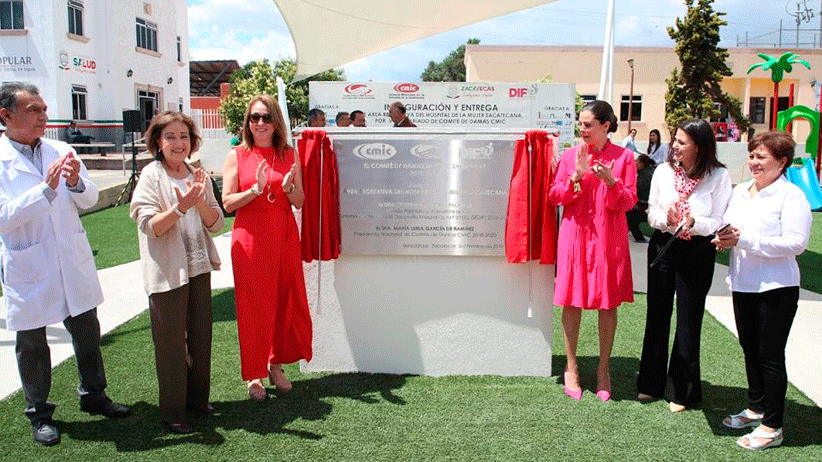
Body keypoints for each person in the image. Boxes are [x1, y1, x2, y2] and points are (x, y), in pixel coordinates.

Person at [0, 82, 130, 446]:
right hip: (29, 263)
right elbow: (3, 217)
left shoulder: (60, 148)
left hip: (70, 259)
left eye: (44, 109)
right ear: (6, 116)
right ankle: (39, 413)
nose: (44, 116)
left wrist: (74, 182)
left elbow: (88, 200)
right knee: (32, 344)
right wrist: (44, 189)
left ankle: (94, 395)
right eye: (34, 110)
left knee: (87, 331)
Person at [713, 131, 811, 451]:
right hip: (744, 283)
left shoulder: (791, 196)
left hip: (776, 288)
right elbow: (728, 225)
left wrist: (744, 241)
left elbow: (796, 243)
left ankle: (772, 426)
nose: (753, 162)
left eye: (761, 157)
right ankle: (755, 408)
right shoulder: (741, 191)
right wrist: (722, 236)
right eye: (752, 156)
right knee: (750, 349)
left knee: (770, 356)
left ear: (782, 162)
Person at [129, 111, 224, 434]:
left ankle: (198, 400)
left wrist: (197, 203)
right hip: (167, 272)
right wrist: (180, 207)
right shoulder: (151, 176)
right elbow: (148, 225)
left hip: (199, 268)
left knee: (201, 338)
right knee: (170, 344)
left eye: (183, 136)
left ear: (192, 141)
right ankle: (173, 411)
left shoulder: (199, 176)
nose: (178, 143)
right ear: (158, 142)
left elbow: (217, 223)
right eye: (170, 136)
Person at [221, 95, 313, 401]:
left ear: (276, 121)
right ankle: (254, 373)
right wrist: (255, 190)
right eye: (254, 118)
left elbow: (300, 201)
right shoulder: (237, 155)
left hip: (284, 235)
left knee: (284, 301)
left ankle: (276, 364)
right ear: (247, 123)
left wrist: (287, 189)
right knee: (253, 307)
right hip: (250, 238)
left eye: (266, 117)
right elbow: (228, 203)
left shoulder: (289, 154)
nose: (260, 123)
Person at [637, 119, 732, 413]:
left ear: (700, 146)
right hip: (664, 247)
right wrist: (666, 218)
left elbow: (720, 218)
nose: (675, 146)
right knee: (657, 314)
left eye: (682, 142)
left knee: (689, 320)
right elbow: (651, 211)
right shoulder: (663, 172)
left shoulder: (718, 175)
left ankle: (681, 390)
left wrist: (695, 222)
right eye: (674, 140)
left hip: (698, 250)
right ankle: (650, 383)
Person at [548, 100, 637, 402]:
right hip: (575, 237)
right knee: (571, 302)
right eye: (580, 124)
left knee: (607, 304)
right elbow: (554, 196)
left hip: (608, 239)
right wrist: (575, 176)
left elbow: (627, 203)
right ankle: (571, 367)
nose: (582, 129)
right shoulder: (572, 155)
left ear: (605, 126)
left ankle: (603, 369)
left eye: (588, 124)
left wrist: (611, 182)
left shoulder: (624, 157)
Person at [626, 154, 655, 242]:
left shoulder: (645, 176)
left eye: (637, 162)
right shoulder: (650, 171)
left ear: (642, 164)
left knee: (629, 214)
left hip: (647, 208)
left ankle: (639, 238)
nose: (635, 164)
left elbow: (636, 191)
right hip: (648, 206)